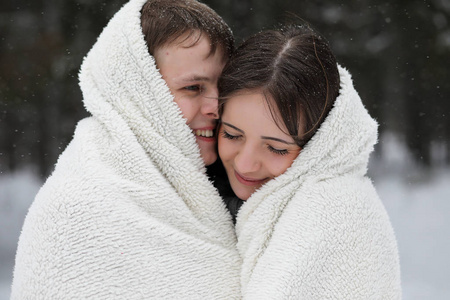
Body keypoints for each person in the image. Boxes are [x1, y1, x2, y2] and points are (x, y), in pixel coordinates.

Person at [11, 0, 241, 298]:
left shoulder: (243, 184)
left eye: (225, 88)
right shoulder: (75, 213)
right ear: (139, 93)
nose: (216, 107)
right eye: (193, 88)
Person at [214, 25, 402, 299]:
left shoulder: (338, 216)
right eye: (231, 134)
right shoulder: (199, 191)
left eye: (276, 149)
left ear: (320, 143)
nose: (245, 164)